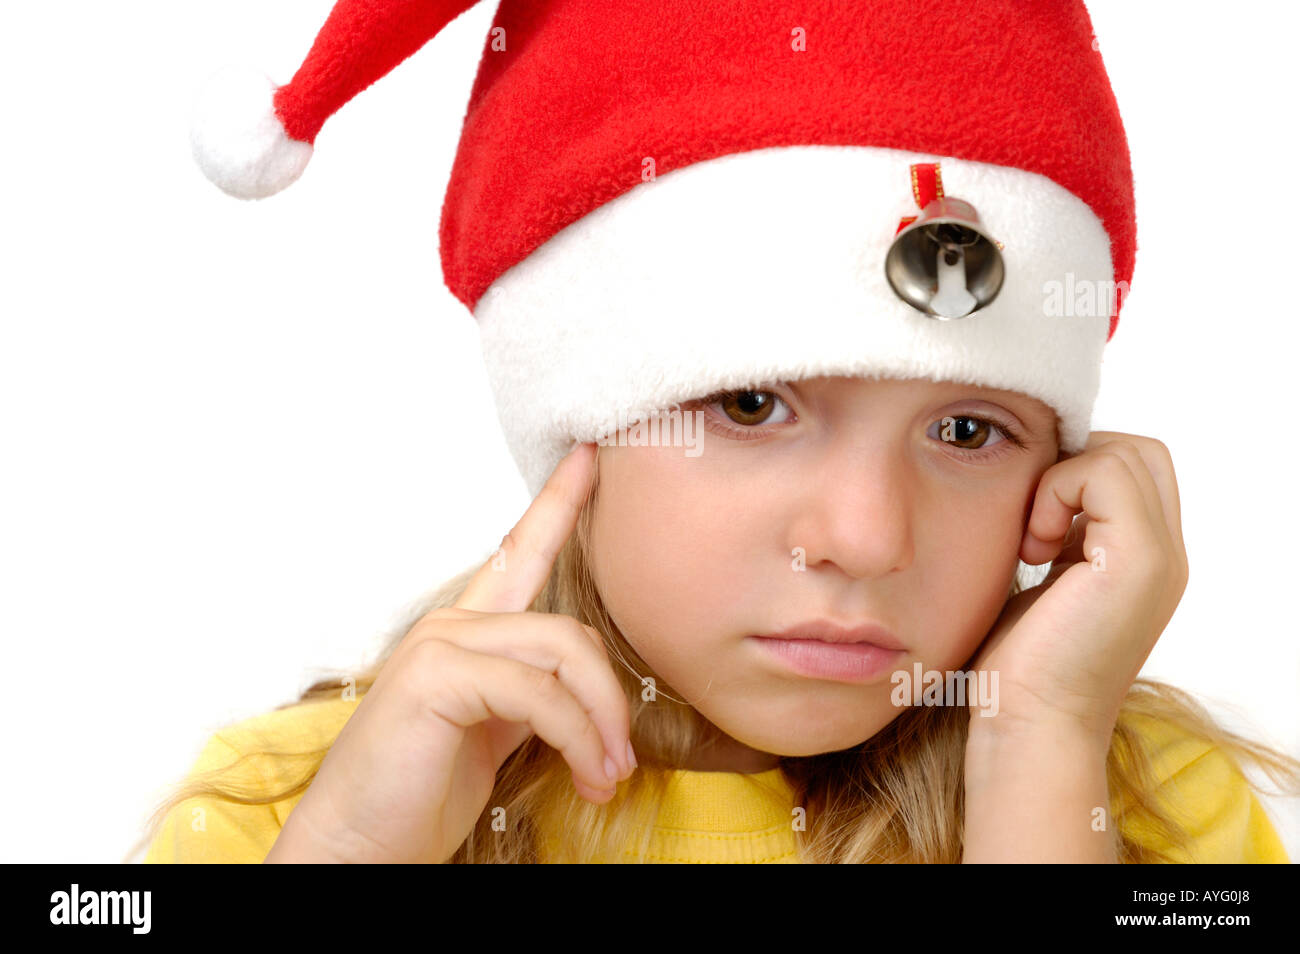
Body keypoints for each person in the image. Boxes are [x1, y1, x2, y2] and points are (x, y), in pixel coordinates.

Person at [137, 0, 1300, 863]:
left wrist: (1037, 757)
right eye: (751, 405)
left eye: (964, 428)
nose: (863, 536)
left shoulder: (1144, 815)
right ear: (573, 421)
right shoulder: (299, 806)